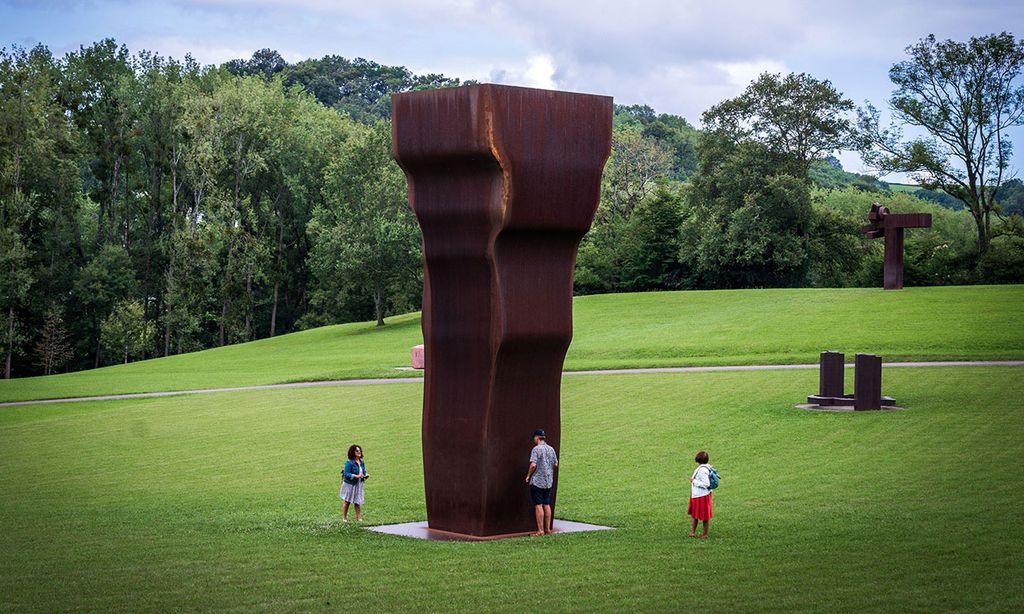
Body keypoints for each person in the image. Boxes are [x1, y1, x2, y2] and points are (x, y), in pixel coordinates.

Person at [524, 428, 559, 536]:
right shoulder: (551, 449)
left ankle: (540, 530)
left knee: (538, 505)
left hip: (537, 481)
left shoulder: (536, 449)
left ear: (537, 437)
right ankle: (548, 529)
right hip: (548, 481)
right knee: (546, 504)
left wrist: (528, 475)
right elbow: (555, 464)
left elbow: (533, 465)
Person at [340, 444, 369, 523]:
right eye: (357, 451)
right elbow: (346, 474)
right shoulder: (349, 462)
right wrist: (356, 476)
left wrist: (365, 475)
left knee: (357, 501)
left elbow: (363, 471)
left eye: (360, 450)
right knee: (347, 501)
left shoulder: (361, 462)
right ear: (353, 452)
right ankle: (344, 518)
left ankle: (358, 518)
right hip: (350, 484)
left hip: (358, 484)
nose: (359, 452)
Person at [688, 450, 713, 539]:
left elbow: (706, 484)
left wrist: (694, 481)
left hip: (701, 496)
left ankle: (704, 534)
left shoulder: (702, 470)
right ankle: (693, 532)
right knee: (695, 515)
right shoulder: (706, 468)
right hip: (698, 495)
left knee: (703, 516)